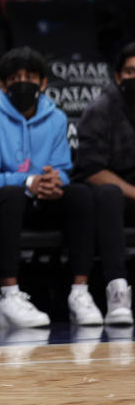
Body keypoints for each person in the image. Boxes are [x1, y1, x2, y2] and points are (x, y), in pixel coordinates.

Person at [0, 47, 108, 328]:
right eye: (16, 77)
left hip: (44, 198)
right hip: (5, 202)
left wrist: (56, 181)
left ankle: (80, 292)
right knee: (12, 194)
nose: (24, 83)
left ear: (43, 83)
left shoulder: (56, 118)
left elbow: (64, 168)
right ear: (3, 84)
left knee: (80, 194)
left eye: (31, 77)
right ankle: (9, 295)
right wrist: (28, 181)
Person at [67, 41, 135, 326]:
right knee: (108, 194)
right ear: (118, 76)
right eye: (130, 72)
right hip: (110, 196)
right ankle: (117, 289)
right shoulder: (102, 108)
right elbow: (92, 169)